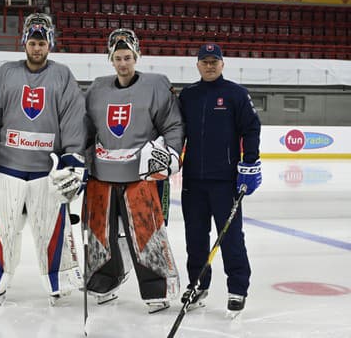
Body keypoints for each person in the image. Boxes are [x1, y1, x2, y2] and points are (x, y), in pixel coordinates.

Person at [0, 13, 87, 305]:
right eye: (32, 42)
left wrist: (72, 157)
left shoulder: (63, 76)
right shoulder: (5, 74)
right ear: (24, 44)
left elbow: (72, 119)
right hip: (6, 168)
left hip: (47, 172)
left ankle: (59, 280)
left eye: (42, 43)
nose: (37, 48)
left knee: (51, 230)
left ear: (50, 44)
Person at [82, 28, 184, 313]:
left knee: (146, 233)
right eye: (117, 58)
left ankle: (157, 287)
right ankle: (104, 280)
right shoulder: (97, 89)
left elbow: (173, 125)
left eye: (127, 57)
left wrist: (171, 153)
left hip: (139, 179)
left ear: (136, 57)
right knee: (100, 234)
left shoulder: (156, 86)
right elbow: (86, 130)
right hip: (102, 176)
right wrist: (80, 159)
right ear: (110, 60)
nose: (123, 63)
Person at [178, 43, 262, 317]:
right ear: (198, 64)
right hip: (193, 180)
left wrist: (249, 163)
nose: (210, 65)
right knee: (195, 239)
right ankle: (198, 284)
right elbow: (175, 132)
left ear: (222, 64)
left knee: (231, 237)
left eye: (215, 61)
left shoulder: (236, 94)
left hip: (225, 182)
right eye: (205, 61)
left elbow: (251, 128)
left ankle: (237, 288)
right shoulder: (188, 96)